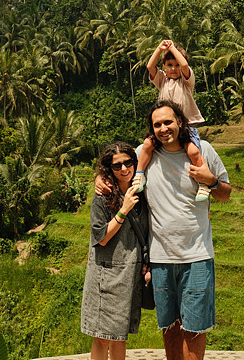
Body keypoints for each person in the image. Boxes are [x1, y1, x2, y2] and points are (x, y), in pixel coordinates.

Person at [96, 101, 231, 360]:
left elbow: (225, 194)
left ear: (180, 122)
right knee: (170, 327)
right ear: (151, 130)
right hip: (160, 259)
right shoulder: (143, 155)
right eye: (157, 124)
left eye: (168, 122)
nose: (163, 128)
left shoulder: (204, 151)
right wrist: (99, 179)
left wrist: (211, 181)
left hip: (197, 256)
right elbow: (116, 169)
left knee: (194, 328)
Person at [81, 142, 151, 360]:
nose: (123, 169)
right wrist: (123, 209)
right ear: (109, 169)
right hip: (105, 274)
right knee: (102, 336)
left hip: (129, 273)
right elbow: (101, 238)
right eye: (117, 165)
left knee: (120, 335)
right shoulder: (103, 196)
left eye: (128, 162)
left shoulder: (143, 193)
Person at [133, 39, 209, 202]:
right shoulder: (162, 81)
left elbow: (185, 67)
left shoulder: (186, 82)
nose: (173, 68)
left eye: (176, 64)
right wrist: (159, 49)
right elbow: (150, 67)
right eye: (169, 65)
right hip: (164, 127)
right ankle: (139, 175)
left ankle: (203, 182)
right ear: (164, 67)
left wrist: (173, 48)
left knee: (194, 152)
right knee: (147, 145)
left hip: (185, 126)